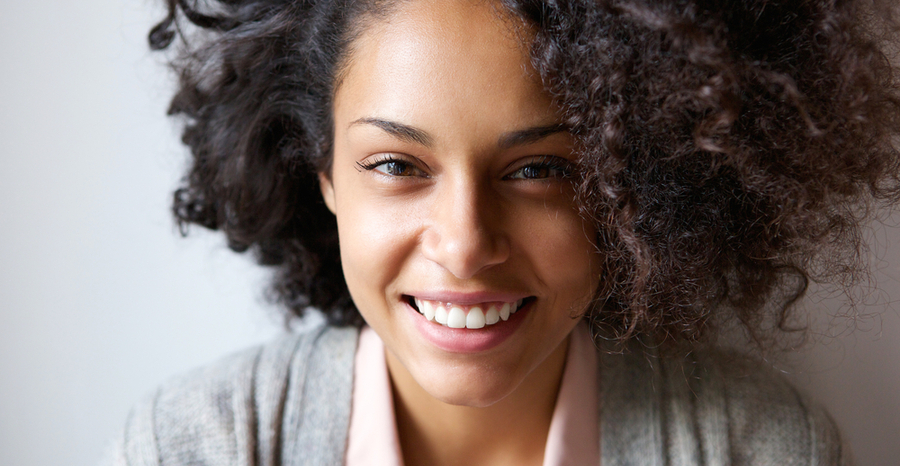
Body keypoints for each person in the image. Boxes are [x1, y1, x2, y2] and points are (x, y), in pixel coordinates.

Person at [105, 0, 900, 464]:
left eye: (535, 170)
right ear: (323, 177)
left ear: (633, 187)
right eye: (395, 164)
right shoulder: (200, 443)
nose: (464, 242)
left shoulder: (754, 445)